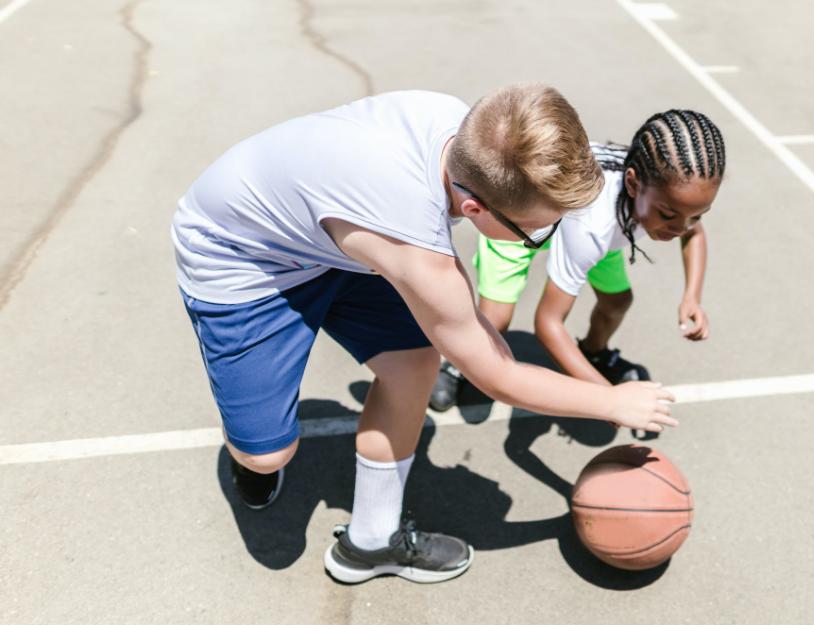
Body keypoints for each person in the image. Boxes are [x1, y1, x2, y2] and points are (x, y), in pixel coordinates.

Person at [172, 86, 677, 585]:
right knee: (266, 455)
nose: (546, 238)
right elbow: (497, 375)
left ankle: (371, 543)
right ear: (477, 210)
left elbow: (471, 331)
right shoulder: (416, 247)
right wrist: (611, 403)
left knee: (416, 363)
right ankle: (248, 449)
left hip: (340, 231)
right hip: (241, 257)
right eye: (538, 232)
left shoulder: (462, 133)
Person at [430, 109, 725, 412]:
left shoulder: (665, 194)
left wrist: (692, 297)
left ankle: (593, 353)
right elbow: (548, 324)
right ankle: (455, 367)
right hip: (519, 223)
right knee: (495, 321)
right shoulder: (593, 227)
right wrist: (610, 399)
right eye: (668, 215)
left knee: (617, 301)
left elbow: (693, 233)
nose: (679, 228)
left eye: (696, 214)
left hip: (598, 228)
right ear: (634, 184)